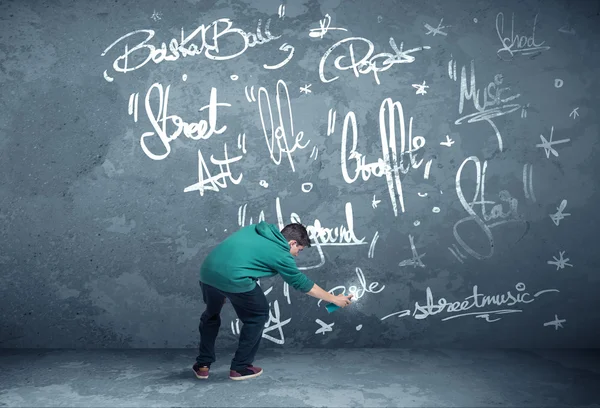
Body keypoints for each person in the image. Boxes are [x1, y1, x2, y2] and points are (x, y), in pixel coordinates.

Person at [192, 221, 353, 381]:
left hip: (208, 273)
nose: (297, 254)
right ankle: (240, 368)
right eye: (299, 250)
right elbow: (301, 283)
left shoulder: (256, 229)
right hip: (234, 278)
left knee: (211, 315)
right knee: (258, 315)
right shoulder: (281, 253)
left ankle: (202, 366)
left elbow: (237, 252)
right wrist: (334, 299)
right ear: (292, 243)